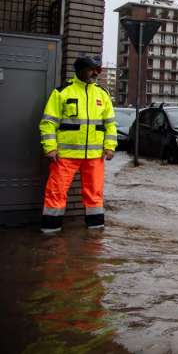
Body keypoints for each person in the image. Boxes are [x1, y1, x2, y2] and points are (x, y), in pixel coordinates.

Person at [38, 55, 117, 233]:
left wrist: (110, 147)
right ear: (80, 70)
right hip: (65, 156)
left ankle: (96, 233)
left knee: (95, 194)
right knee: (56, 192)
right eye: (92, 69)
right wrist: (50, 148)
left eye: (98, 70)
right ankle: (50, 233)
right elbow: (48, 123)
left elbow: (110, 124)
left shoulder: (102, 94)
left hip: (95, 156)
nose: (96, 73)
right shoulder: (62, 92)